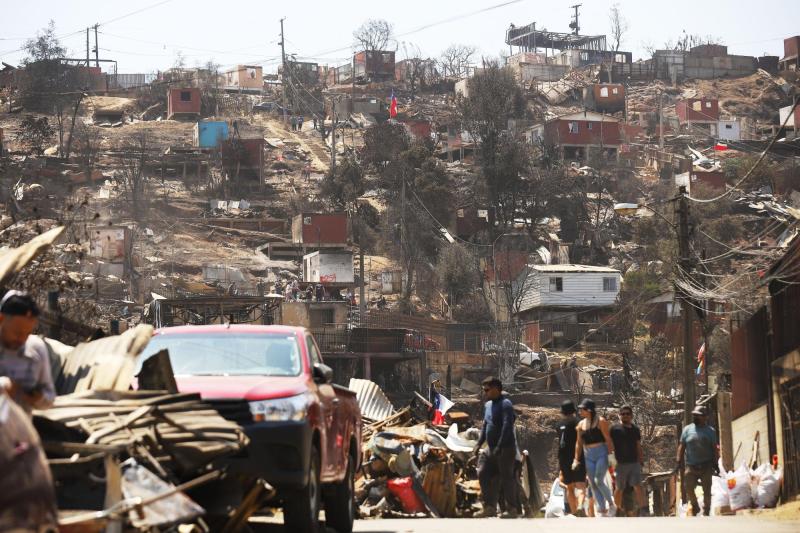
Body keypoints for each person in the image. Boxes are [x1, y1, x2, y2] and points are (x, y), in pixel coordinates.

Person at [0, 291, 55, 414]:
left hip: (20, 430)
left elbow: (50, 398)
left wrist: (38, 399)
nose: (22, 339)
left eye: (27, 333)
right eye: (18, 332)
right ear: (1, 319)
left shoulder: (37, 348)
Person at [473, 376, 519, 518]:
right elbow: (486, 426)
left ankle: (512, 509)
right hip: (490, 448)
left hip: (505, 448)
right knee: (482, 472)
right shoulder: (488, 406)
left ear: (497, 389)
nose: (485, 392)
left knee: (506, 478)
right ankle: (489, 507)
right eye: (484, 390)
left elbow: (507, 426)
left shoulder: (506, 404)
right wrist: (479, 443)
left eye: (488, 389)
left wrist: (500, 445)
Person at [574, 398, 616, 516]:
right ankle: (602, 509)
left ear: (589, 410)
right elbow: (578, 443)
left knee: (598, 480)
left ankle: (611, 504)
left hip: (601, 452)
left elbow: (607, 438)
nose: (580, 411)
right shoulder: (581, 425)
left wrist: (611, 455)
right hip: (588, 454)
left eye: (582, 409)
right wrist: (576, 459)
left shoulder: (600, 421)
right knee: (592, 483)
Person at [677, 405, 719, 517]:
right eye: (694, 415)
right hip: (691, 465)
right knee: (688, 486)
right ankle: (695, 506)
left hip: (706, 465)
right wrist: (678, 461)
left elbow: (715, 448)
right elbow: (681, 446)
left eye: (698, 416)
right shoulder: (687, 430)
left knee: (707, 489)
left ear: (705, 417)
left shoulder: (710, 431)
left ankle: (706, 510)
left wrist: (716, 463)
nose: (695, 417)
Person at [611, 405, 649, 516]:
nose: (625, 416)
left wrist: (641, 460)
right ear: (619, 415)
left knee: (638, 486)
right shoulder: (614, 429)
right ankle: (616, 509)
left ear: (631, 416)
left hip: (634, 463)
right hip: (620, 463)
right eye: (623, 414)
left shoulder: (635, 429)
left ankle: (643, 509)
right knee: (619, 488)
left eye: (627, 414)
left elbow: (638, 446)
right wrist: (610, 459)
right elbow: (609, 445)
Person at [557, 400, 587, 516]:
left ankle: (574, 513)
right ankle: (580, 506)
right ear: (574, 411)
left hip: (563, 458)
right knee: (580, 485)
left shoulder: (558, 425)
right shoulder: (579, 422)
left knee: (569, 487)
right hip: (577, 457)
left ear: (562, 412)